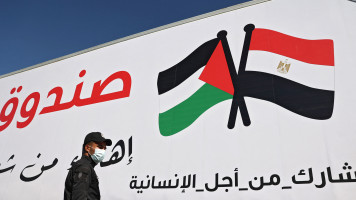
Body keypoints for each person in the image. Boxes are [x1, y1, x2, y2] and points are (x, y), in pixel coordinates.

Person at [64, 132, 112, 200]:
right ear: (87, 148)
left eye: (104, 148)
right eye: (100, 147)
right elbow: (79, 197)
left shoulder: (86, 166)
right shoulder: (83, 168)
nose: (103, 151)